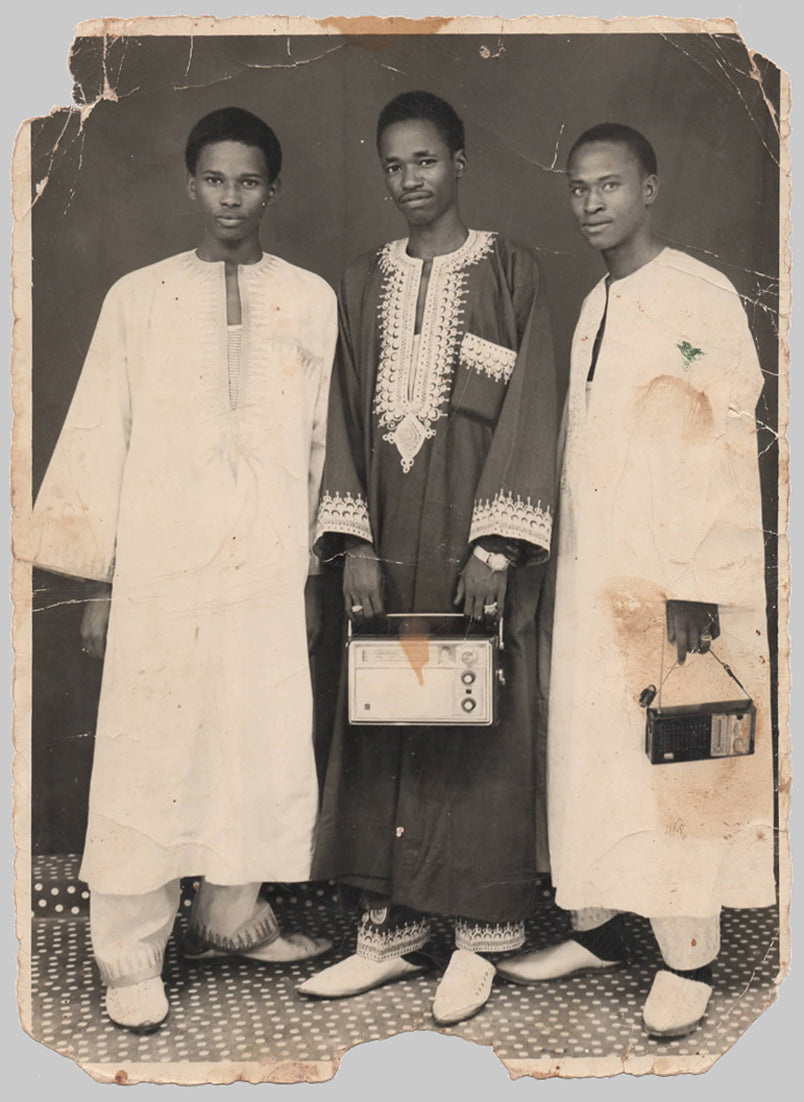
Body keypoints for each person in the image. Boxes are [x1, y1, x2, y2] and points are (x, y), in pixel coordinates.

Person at [23, 107, 337, 1031]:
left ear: (272, 190)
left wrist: (311, 572)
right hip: (160, 573)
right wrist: (100, 581)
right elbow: (96, 439)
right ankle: (130, 953)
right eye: (214, 179)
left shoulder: (310, 298)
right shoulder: (140, 297)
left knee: (256, 739)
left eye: (248, 181)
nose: (230, 198)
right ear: (189, 184)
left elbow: (323, 449)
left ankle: (231, 915)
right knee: (151, 749)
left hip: (266, 569)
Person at [498, 124, 776, 1039]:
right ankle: (609, 930)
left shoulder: (695, 294)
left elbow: (723, 437)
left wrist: (695, 586)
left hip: (677, 575)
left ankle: (688, 957)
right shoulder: (596, 301)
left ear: (650, 189)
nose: (590, 204)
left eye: (609, 186)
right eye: (578, 188)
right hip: (598, 574)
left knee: (682, 761)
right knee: (604, 754)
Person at [297, 91, 558, 1026]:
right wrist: (353, 540)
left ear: (460, 162)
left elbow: (532, 411)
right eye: (395, 166)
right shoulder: (359, 282)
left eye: (426, 162)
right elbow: (335, 418)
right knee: (381, 708)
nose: (411, 181)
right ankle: (390, 931)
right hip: (384, 543)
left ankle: (480, 936)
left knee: (472, 712)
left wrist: (495, 543)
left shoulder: (512, 273)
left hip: (472, 542)